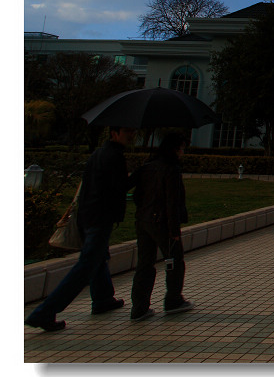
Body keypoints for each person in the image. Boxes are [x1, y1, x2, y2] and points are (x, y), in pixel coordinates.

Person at [25, 126, 134, 332]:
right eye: (127, 131)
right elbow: (119, 188)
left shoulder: (97, 154)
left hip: (88, 216)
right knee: (86, 265)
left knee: (98, 257)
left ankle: (103, 298)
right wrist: (138, 175)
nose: (132, 134)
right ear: (114, 133)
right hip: (100, 217)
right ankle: (44, 312)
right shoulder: (114, 156)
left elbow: (88, 187)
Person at [129, 131, 193, 320]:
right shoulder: (171, 169)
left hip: (143, 221)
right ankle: (173, 300)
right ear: (174, 149)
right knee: (174, 260)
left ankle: (139, 307)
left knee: (144, 263)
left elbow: (135, 195)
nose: (182, 152)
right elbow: (171, 202)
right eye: (181, 148)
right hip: (162, 223)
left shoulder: (146, 167)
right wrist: (174, 230)